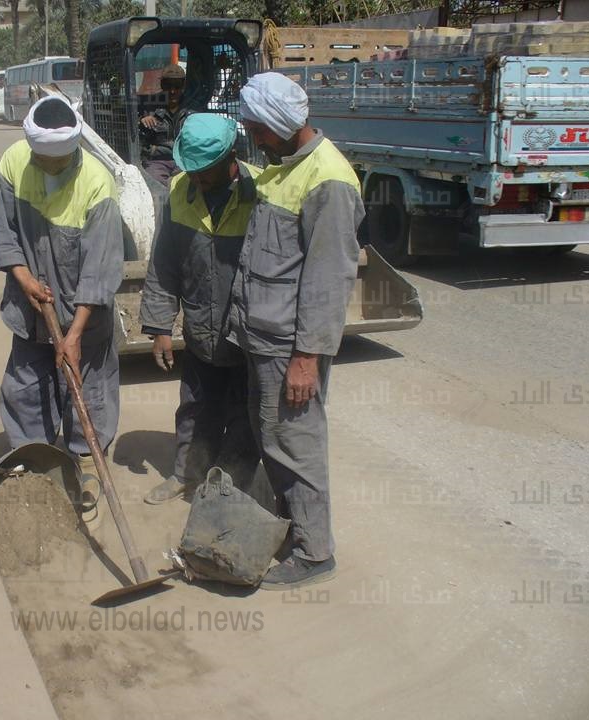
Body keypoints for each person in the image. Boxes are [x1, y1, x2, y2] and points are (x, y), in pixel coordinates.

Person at [230, 72, 363, 590]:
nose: (253, 136)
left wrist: (306, 357)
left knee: (296, 442)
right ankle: (290, 527)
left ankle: (314, 553)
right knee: (274, 437)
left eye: (257, 128)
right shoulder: (284, 165)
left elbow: (329, 281)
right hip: (265, 335)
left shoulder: (329, 181)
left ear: (280, 125)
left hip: (290, 345)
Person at [0, 96, 124, 523]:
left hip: (84, 311)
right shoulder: (12, 163)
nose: (51, 167)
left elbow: (99, 269)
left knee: (88, 391)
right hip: (31, 306)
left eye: (60, 160)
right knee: (26, 386)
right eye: (42, 160)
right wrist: (23, 276)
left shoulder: (97, 183)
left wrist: (75, 333)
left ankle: (86, 464)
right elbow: (5, 232)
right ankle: (36, 460)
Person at [139, 113, 261, 504]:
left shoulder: (262, 191)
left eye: (204, 173)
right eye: (190, 171)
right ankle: (186, 475)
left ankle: (226, 490)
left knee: (244, 415)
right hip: (200, 328)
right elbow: (164, 263)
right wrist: (159, 327)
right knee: (195, 407)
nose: (196, 180)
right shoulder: (179, 188)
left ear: (231, 159)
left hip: (247, 334)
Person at [139, 64, 194, 186]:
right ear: (162, 85)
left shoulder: (192, 107)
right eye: (168, 86)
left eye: (177, 86)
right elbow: (139, 140)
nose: (173, 91)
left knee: (187, 184)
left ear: (183, 85)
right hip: (157, 161)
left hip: (185, 160)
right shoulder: (149, 106)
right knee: (153, 182)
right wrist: (142, 121)